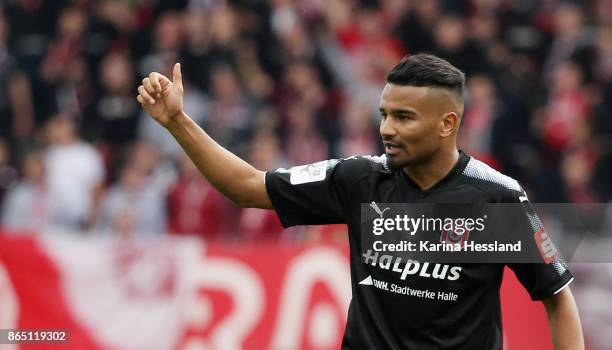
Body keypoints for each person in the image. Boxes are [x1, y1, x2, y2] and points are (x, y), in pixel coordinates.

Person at [137, 54, 584, 349]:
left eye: (404, 117)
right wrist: (178, 122)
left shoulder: (495, 199)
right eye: (384, 114)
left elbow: (557, 298)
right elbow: (247, 186)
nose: (387, 128)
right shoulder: (360, 180)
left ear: (447, 123)